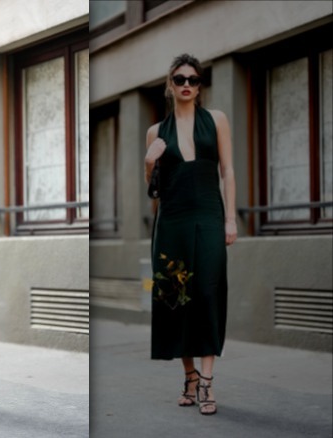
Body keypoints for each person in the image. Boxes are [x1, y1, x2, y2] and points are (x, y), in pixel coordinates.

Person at [144, 53, 237, 416]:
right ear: (170, 85)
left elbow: (228, 171)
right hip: (172, 223)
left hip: (210, 217)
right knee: (175, 298)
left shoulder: (217, 120)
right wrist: (149, 160)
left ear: (200, 86)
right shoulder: (156, 131)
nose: (186, 85)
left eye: (193, 80)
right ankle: (190, 377)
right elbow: (153, 190)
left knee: (208, 293)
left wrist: (230, 219)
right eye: (180, 79)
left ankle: (208, 381)